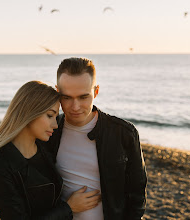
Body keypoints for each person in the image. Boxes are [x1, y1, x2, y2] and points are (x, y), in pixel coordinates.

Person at [46, 57, 147, 220]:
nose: (75, 106)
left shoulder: (123, 133)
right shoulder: (48, 132)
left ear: (96, 91)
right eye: (66, 97)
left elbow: (137, 195)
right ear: (57, 92)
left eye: (83, 97)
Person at [0, 81, 101, 220]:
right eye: (50, 116)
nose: (55, 125)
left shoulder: (46, 147)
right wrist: (69, 207)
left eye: (56, 117)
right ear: (30, 112)